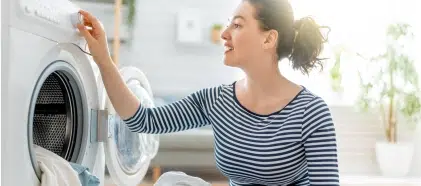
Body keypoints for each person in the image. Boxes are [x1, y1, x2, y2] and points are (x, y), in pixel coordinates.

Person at [77, 0, 340, 185]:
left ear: (268, 39)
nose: (224, 34)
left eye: (237, 25)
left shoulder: (311, 113)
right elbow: (143, 120)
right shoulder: (216, 100)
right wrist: (103, 58)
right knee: (171, 183)